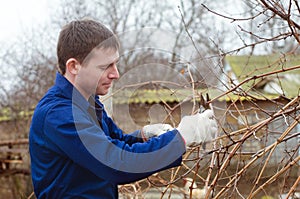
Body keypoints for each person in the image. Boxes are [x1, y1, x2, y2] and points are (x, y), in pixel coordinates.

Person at [29, 18, 218, 199]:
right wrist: (180, 139)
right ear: (74, 66)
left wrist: (144, 135)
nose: (116, 74)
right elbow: (117, 162)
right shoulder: (58, 114)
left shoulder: (88, 103)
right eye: (106, 66)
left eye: (116, 63)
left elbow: (115, 141)